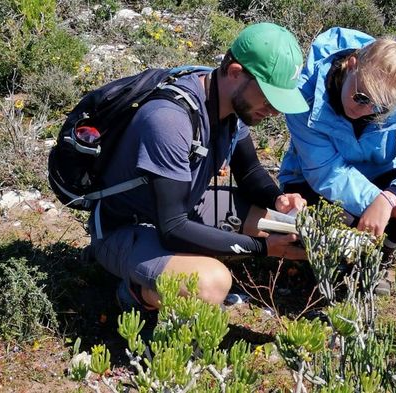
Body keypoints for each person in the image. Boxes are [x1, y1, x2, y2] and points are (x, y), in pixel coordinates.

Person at [87, 23, 309, 312]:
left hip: (183, 205)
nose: (274, 110)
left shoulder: (231, 106)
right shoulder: (170, 119)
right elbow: (173, 228)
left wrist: (277, 199)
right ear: (235, 72)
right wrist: (262, 249)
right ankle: (133, 292)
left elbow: (251, 172)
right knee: (212, 282)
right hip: (126, 227)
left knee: (295, 229)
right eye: (268, 96)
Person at [279, 27, 396, 257]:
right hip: (312, 183)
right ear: (352, 64)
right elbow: (325, 172)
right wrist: (384, 206)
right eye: (362, 97)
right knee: (308, 224)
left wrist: (393, 198)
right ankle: (338, 256)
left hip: (378, 177)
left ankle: (382, 253)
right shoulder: (305, 96)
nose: (368, 110)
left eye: (381, 107)